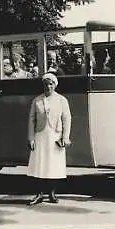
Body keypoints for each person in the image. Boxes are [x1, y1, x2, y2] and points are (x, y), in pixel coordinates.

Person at [27, 72, 72, 205]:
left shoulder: (62, 100)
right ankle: (39, 193)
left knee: (53, 165)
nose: (48, 86)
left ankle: (52, 193)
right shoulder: (37, 100)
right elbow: (31, 119)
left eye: (51, 84)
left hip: (55, 136)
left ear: (55, 85)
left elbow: (66, 118)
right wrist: (31, 138)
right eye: (46, 84)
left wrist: (65, 137)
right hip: (40, 135)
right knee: (40, 164)